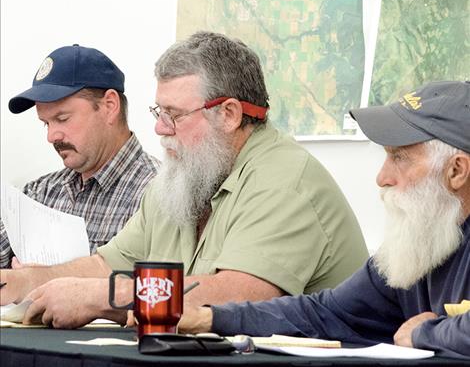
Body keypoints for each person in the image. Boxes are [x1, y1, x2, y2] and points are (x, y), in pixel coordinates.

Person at [0, 32, 367, 328]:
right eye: (159, 112)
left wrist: (100, 298)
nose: (160, 128)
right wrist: (29, 282)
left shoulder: (285, 180)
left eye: (174, 114)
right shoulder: (182, 179)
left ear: (228, 114)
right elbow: (105, 265)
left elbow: (238, 296)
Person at [179, 80, 470, 358]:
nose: (382, 178)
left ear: (456, 171)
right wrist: (209, 318)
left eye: (400, 158)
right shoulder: (421, 242)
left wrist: (424, 334)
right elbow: (324, 313)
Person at [0, 44, 159, 268]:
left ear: (110, 106)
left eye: (63, 118)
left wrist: (41, 281)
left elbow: (161, 294)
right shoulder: (40, 193)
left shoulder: (160, 197)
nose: (52, 136)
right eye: (46, 123)